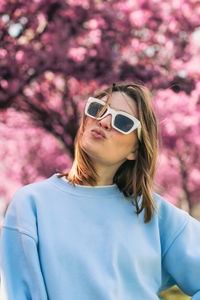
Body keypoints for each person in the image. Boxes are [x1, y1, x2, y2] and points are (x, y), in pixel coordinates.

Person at [0, 82, 200, 300]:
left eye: (122, 122)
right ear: (86, 120)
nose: (104, 121)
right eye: (98, 109)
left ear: (135, 149)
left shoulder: (155, 214)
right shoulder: (31, 205)